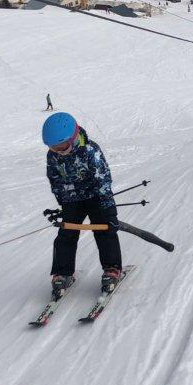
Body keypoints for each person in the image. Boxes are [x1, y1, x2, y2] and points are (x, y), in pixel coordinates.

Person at [42, 112, 123, 298]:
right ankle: (63, 272)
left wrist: (109, 212)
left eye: (62, 146)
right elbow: (54, 180)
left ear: (73, 137)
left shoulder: (90, 151)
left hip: (96, 197)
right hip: (72, 199)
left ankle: (112, 268)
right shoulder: (52, 156)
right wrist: (62, 203)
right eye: (54, 147)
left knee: (105, 231)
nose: (59, 151)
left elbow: (103, 181)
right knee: (66, 234)